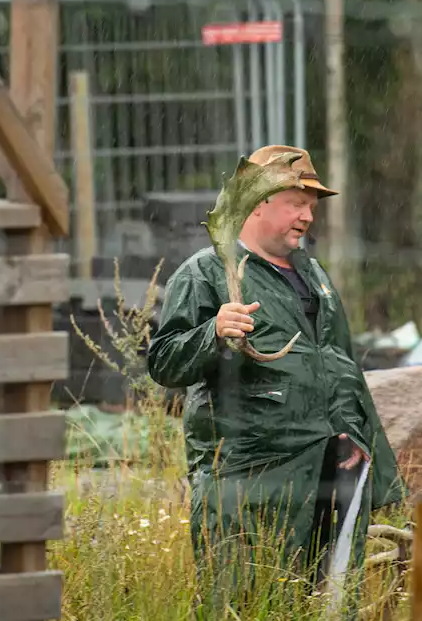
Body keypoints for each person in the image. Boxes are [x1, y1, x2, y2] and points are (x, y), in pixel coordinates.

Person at [147, 145, 404, 615]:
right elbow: (163, 362)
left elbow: (343, 367)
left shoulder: (314, 274)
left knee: (331, 603)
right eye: (296, 202)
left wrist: (378, 470)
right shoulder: (205, 273)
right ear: (258, 202)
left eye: (313, 205)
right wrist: (213, 333)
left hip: (335, 468)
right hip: (252, 480)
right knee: (249, 604)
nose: (308, 216)